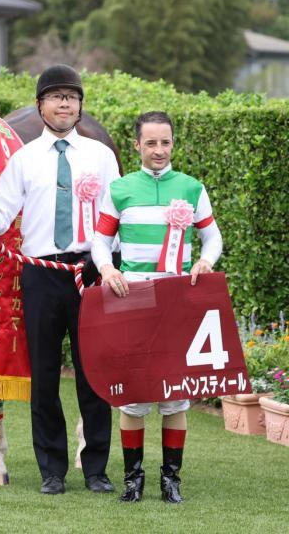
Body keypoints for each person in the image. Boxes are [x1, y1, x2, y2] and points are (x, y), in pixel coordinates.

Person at [0, 65, 119, 495]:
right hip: (41, 275)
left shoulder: (101, 157)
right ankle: (52, 469)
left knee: (93, 374)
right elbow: (1, 215)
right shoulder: (24, 159)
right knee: (43, 374)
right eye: (56, 97)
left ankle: (95, 468)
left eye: (71, 98)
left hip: (88, 272)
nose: (64, 104)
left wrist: (105, 258)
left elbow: (114, 217)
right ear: (40, 106)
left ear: (79, 106)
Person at [91, 111, 222, 504]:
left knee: (174, 395)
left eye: (165, 142)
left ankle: (171, 480)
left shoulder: (193, 188)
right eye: (151, 143)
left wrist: (206, 261)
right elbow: (100, 241)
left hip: (177, 301)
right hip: (132, 300)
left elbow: (212, 239)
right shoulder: (120, 189)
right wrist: (107, 267)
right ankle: (133, 480)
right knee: (133, 394)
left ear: (173, 144)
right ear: (137, 146)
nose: (159, 150)